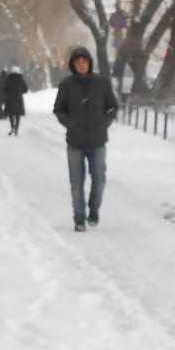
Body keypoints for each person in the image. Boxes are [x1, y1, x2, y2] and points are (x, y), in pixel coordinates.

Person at [53, 46, 118, 232]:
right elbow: (58, 109)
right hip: (75, 141)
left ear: (89, 63)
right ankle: (79, 218)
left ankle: (94, 209)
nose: (81, 65)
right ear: (73, 65)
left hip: (97, 141)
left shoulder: (102, 83)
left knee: (99, 178)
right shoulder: (66, 85)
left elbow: (112, 107)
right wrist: (69, 123)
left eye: (84, 61)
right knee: (76, 182)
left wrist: (103, 123)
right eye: (77, 62)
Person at [2, 66, 28, 135]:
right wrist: (20, 91)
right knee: (17, 115)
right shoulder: (21, 79)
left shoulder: (8, 79)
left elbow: (5, 90)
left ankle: (12, 127)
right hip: (18, 99)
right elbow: (26, 89)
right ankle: (16, 129)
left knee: (11, 114)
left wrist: (9, 92)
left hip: (10, 99)